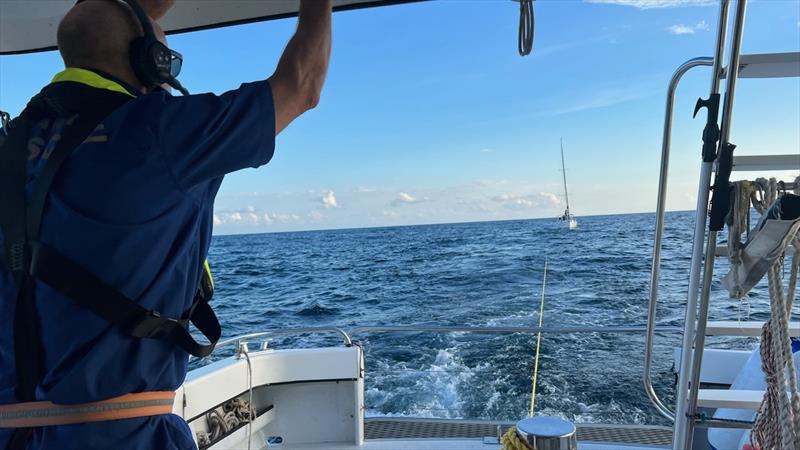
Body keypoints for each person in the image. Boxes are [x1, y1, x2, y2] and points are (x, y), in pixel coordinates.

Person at [0, 0, 332, 448]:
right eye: (167, 56)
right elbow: (301, 86)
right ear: (150, 63)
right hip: (124, 435)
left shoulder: (9, 145)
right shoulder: (158, 131)